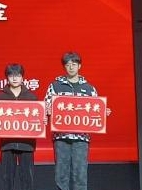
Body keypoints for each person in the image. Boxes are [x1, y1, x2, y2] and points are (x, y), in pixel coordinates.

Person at [45, 52, 99, 190]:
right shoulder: (55, 86)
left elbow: (96, 109)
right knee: (61, 175)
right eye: (68, 64)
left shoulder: (89, 89)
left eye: (74, 64)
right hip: (61, 137)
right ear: (64, 67)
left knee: (80, 175)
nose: (71, 67)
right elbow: (46, 107)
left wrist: (102, 112)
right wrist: (48, 110)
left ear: (79, 66)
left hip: (81, 138)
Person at [0, 63, 38, 190]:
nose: (15, 78)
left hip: (27, 144)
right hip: (7, 144)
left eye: (18, 75)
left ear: (22, 77)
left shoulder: (31, 97)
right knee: (7, 179)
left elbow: (39, 117)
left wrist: (44, 119)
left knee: (27, 179)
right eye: (11, 75)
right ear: (7, 77)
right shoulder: (0, 97)